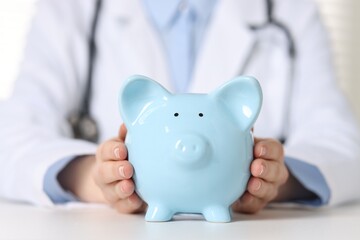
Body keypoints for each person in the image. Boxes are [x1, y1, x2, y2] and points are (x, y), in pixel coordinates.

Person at [0, 0, 359, 215]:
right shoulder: (73, 9)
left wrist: (273, 179)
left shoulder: (287, 9)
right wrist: (94, 178)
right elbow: (10, 135)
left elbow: (344, 145)